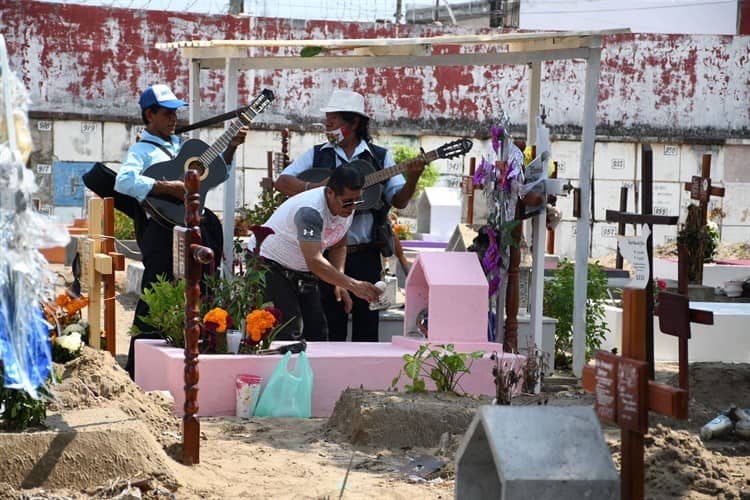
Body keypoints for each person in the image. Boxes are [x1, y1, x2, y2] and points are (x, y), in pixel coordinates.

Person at [116, 84, 248, 379]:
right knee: (155, 295)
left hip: (194, 230)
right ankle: (140, 370)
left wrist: (230, 148)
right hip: (162, 232)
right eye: (166, 113)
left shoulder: (182, 147)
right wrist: (167, 187)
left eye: (175, 112)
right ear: (149, 115)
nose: (173, 118)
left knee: (204, 291)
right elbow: (124, 182)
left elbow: (216, 175)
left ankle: (200, 363)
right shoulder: (142, 150)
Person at [274, 89, 425, 342]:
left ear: (353, 122)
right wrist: (318, 189)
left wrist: (414, 176)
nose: (327, 127)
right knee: (328, 326)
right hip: (324, 256)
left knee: (368, 326)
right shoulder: (317, 153)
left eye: (332, 122)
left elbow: (399, 199)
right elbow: (282, 181)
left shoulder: (379, 157)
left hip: (366, 255)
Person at [252, 163, 382, 341]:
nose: (352, 207)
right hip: (269, 263)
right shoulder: (310, 212)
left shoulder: (347, 205)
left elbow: (338, 243)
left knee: (317, 333)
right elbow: (314, 261)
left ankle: (311, 369)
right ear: (329, 193)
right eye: (348, 202)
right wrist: (353, 285)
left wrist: (340, 281)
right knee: (288, 331)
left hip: (301, 268)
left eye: (357, 201)